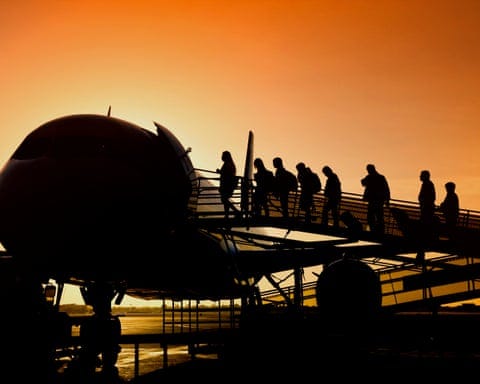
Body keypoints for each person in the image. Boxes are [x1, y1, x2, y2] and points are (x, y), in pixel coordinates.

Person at [361, 164, 390, 235]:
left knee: (371, 217)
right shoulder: (381, 177)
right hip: (379, 201)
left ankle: (373, 230)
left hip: (373, 201)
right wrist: (387, 200)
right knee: (379, 217)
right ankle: (380, 231)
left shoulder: (370, 177)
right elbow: (386, 189)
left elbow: (363, 183)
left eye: (368, 170)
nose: (368, 171)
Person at [417, 169, 437, 262]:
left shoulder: (428, 184)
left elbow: (430, 197)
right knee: (423, 230)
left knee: (423, 229)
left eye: (421, 175)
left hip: (426, 210)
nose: (420, 177)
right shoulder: (428, 184)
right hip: (426, 209)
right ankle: (421, 252)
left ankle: (421, 252)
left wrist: (424, 203)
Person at [216, 150, 240, 219]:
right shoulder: (229, 164)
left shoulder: (228, 164)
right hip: (227, 186)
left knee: (224, 200)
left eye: (223, 156)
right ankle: (227, 214)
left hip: (227, 186)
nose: (222, 157)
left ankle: (235, 212)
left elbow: (227, 174)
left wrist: (220, 172)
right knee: (225, 200)